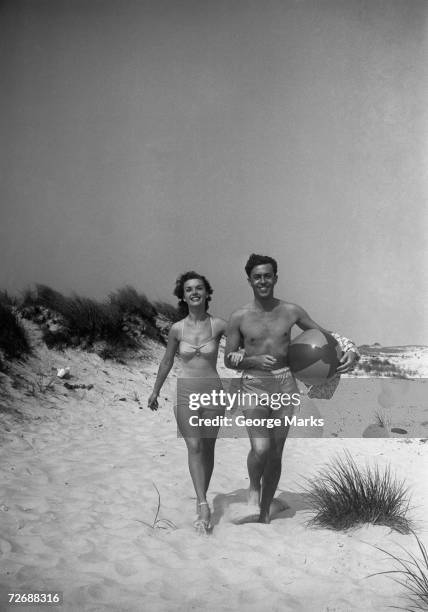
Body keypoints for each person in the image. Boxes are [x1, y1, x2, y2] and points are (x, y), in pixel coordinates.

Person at [224, 253, 359, 524]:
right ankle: (254, 491)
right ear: (249, 280)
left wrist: (351, 350)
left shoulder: (291, 311)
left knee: (275, 450)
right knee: (260, 449)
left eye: (267, 275)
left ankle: (265, 509)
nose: (263, 280)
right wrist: (252, 359)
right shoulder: (238, 317)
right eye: (257, 276)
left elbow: (326, 335)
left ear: (275, 277)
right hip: (253, 385)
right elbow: (229, 359)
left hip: (285, 385)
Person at [148, 271, 226, 534]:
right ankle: (203, 503)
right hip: (186, 393)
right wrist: (155, 391)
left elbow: (246, 343)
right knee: (194, 445)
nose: (194, 292)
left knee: (208, 447)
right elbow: (167, 361)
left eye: (199, 288)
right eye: (189, 289)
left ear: (207, 293)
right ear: (183, 296)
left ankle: (202, 495)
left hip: (214, 393)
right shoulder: (176, 329)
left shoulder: (219, 326)